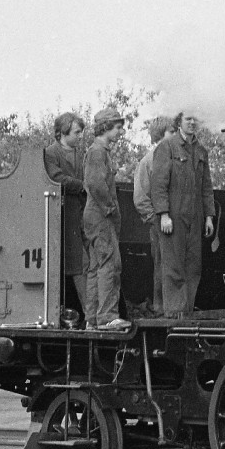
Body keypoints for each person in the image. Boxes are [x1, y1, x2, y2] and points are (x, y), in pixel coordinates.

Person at [150, 110, 216, 317]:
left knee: (193, 267)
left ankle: (186, 314)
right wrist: (163, 214)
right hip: (174, 218)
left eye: (195, 118)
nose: (192, 122)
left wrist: (209, 216)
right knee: (173, 268)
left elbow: (206, 187)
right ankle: (174, 316)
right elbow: (158, 185)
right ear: (179, 122)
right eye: (188, 118)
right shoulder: (166, 147)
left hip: (195, 218)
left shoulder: (201, 151)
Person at [83, 107, 129, 330]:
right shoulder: (98, 152)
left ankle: (92, 319)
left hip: (94, 216)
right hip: (101, 216)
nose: (121, 132)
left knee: (96, 267)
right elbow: (95, 183)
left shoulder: (98, 151)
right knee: (110, 264)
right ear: (106, 127)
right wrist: (110, 207)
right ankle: (107, 317)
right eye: (118, 127)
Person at [43, 112, 88, 317]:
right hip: (62, 215)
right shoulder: (51, 153)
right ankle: (88, 314)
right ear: (63, 133)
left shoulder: (83, 154)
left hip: (82, 213)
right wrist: (83, 186)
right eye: (77, 132)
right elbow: (56, 178)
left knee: (85, 264)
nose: (80, 136)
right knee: (78, 265)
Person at [132, 115, 174, 317]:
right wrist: (156, 220)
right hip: (160, 224)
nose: (175, 136)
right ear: (161, 134)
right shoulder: (148, 161)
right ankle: (160, 309)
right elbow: (140, 198)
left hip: (175, 223)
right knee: (161, 267)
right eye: (171, 132)